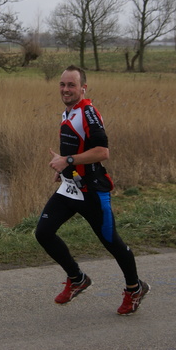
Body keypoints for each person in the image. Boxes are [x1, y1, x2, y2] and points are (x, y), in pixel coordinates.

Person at [35, 65, 150, 315]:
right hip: (70, 187)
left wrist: (67, 161)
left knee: (111, 242)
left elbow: (102, 152)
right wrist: (63, 166)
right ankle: (77, 279)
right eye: (62, 84)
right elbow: (75, 146)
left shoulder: (87, 112)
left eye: (71, 85)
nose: (66, 89)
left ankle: (134, 288)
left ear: (83, 88)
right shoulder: (68, 112)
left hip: (92, 190)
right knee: (43, 232)